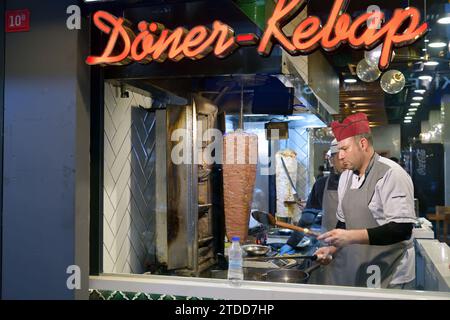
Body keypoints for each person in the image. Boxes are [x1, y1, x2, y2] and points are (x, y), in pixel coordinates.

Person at [315, 113, 416, 289]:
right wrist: (332, 249)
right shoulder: (346, 177)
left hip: (392, 270)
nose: (340, 156)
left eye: (345, 149)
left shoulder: (391, 173)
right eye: (339, 150)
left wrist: (351, 237)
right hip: (364, 267)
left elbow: (402, 229)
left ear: (363, 144)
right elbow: (343, 223)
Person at [280, 139, 344, 255]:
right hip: (327, 248)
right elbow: (307, 219)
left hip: (356, 248)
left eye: (347, 154)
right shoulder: (321, 184)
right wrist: (291, 243)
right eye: (339, 156)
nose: (344, 160)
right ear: (331, 160)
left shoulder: (361, 182)